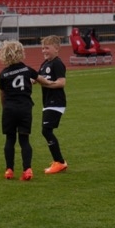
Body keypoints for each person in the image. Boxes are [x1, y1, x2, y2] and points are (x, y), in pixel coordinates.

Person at [0, 40, 55, 181]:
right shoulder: (27, 70)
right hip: (25, 108)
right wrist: (52, 83)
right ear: (21, 53)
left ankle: (9, 170)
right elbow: (41, 80)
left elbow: (2, 94)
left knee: (10, 139)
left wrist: (5, 108)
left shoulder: (3, 74)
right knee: (24, 140)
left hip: (9, 109)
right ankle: (27, 170)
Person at [38, 35, 68, 174]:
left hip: (56, 102)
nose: (44, 50)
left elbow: (61, 82)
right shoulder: (44, 64)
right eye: (43, 48)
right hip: (48, 102)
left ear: (56, 49)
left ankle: (59, 162)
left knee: (46, 130)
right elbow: (37, 78)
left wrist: (47, 84)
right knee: (46, 130)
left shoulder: (57, 63)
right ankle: (58, 161)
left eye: (47, 48)